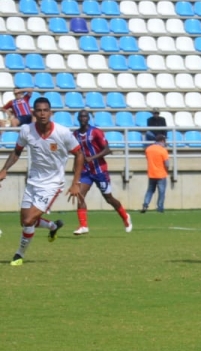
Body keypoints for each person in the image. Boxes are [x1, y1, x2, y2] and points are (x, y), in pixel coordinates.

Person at [0, 96, 83, 266]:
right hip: (33, 182)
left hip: (52, 184)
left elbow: (79, 154)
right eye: (39, 110)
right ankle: (52, 226)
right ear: (34, 113)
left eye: (46, 110)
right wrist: (4, 169)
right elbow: (16, 151)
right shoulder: (26, 130)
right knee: (24, 220)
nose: (43, 113)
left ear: (51, 112)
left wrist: (76, 182)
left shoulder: (62, 133)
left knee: (29, 221)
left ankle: (18, 255)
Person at [72, 110, 133, 235]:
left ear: (88, 118)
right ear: (78, 119)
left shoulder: (96, 132)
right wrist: (75, 169)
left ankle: (125, 217)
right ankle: (83, 225)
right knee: (80, 195)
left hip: (99, 171)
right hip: (85, 171)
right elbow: (76, 154)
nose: (83, 118)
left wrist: (92, 158)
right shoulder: (75, 134)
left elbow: (107, 150)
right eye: (81, 116)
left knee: (109, 199)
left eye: (85, 116)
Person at [142, 133, 170, 213]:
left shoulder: (148, 149)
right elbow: (167, 164)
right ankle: (160, 207)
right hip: (161, 174)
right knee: (161, 192)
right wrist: (167, 170)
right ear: (162, 141)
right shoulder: (163, 150)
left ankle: (145, 204)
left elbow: (148, 159)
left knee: (150, 190)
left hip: (151, 173)